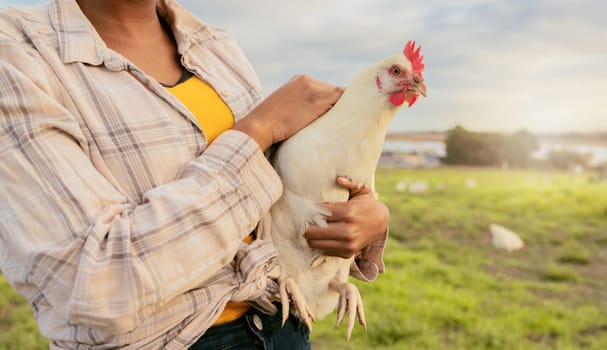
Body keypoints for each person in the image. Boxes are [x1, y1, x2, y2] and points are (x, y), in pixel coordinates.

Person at [0, 0, 389, 349]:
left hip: (281, 322)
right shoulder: (18, 51)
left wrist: (363, 219)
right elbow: (94, 285)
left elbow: (271, 199)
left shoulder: (215, 44)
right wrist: (257, 130)